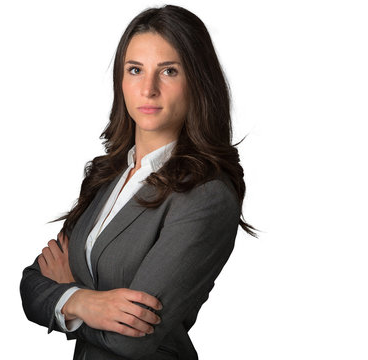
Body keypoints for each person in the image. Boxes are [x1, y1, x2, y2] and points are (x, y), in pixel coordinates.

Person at [20, 4, 256, 359]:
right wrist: (81, 300)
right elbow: (31, 284)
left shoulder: (206, 195)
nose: (148, 89)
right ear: (121, 80)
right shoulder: (105, 177)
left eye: (169, 71)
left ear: (197, 82)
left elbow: (134, 337)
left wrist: (67, 295)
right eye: (135, 70)